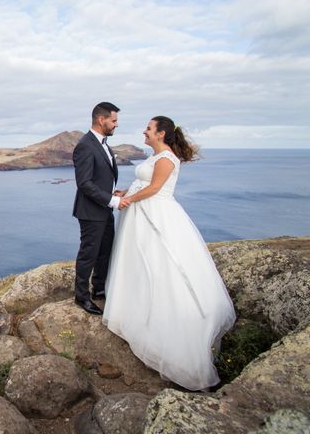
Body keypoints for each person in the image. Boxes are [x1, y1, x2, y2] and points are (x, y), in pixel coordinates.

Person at [102, 116, 236, 390]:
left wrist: (125, 200)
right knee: (141, 263)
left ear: (161, 134)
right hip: (144, 214)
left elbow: (154, 189)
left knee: (162, 264)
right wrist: (125, 190)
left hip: (156, 217)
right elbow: (143, 185)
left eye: (148, 128)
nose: (144, 131)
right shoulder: (157, 156)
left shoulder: (166, 158)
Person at [72, 101, 122, 315]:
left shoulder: (103, 143)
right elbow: (84, 183)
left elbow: (101, 177)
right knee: (89, 254)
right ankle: (81, 297)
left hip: (104, 207)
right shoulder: (85, 145)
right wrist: (112, 201)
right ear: (101, 120)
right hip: (92, 211)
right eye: (114, 120)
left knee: (105, 251)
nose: (116, 125)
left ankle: (99, 289)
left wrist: (112, 194)